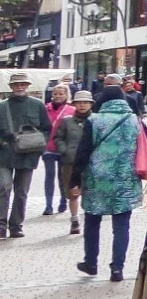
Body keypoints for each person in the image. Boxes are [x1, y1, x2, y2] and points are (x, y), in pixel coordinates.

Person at [71, 86, 146, 282]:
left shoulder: (94, 120)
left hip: (97, 180)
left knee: (92, 222)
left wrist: (75, 178)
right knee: (121, 226)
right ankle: (117, 268)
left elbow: (83, 151)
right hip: (126, 179)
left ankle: (91, 262)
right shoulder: (134, 120)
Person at [2, 71, 48, 238]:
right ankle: (1, 224)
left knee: (21, 192)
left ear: (28, 86)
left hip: (28, 155)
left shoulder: (38, 105)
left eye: (23, 84)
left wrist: (39, 146)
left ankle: (16, 226)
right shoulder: (2, 106)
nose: (19, 87)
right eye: (16, 84)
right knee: (4, 188)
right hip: (5, 154)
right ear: (11, 87)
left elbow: (46, 128)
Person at [52, 86, 83, 237]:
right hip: (70, 161)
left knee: (89, 192)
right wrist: (64, 150)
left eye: (86, 102)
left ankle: (89, 218)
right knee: (72, 192)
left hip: (89, 163)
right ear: (74, 103)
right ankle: (74, 219)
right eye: (79, 102)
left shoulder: (95, 120)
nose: (82, 105)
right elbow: (58, 138)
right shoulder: (67, 121)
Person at [39, 80, 69, 220]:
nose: (58, 96)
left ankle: (63, 200)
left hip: (64, 148)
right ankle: (48, 205)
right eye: (55, 93)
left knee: (62, 176)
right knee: (49, 176)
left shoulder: (71, 110)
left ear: (66, 95)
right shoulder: (46, 108)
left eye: (61, 94)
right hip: (48, 147)